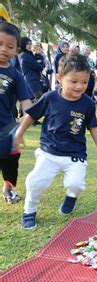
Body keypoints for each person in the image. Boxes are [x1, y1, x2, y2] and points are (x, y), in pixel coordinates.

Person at [15, 53, 97, 229]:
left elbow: (93, 127)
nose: (80, 86)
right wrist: (20, 133)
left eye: (85, 82)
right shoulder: (49, 98)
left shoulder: (87, 104)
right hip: (48, 151)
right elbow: (31, 115)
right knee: (35, 182)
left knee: (77, 184)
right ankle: (29, 210)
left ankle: (71, 196)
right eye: (74, 81)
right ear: (60, 78)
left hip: (75, 153)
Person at [0, 23, 34, 204]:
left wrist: (25, 122)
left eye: (9, 46)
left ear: (16, 50)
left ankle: (8, 189)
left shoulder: (16, 75)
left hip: (6, 127)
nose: (3, 49)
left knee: (10, 160)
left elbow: (26, 103)